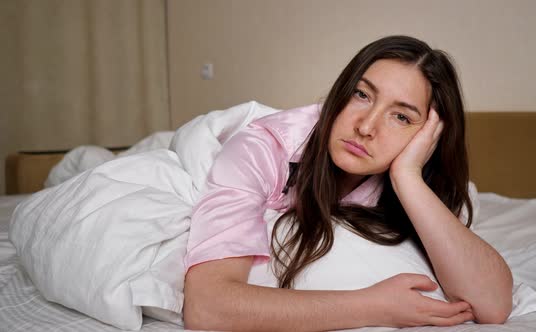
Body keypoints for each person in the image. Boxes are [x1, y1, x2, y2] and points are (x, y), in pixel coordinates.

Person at [183, 35, 513, 331]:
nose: (366, 126)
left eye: (401, 116)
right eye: (362, 94)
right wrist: (374, 306)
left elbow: (493, 305)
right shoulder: (263, 149)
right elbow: (207, 306)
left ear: (428, 136)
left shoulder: (415, 176)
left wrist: (407, 177)